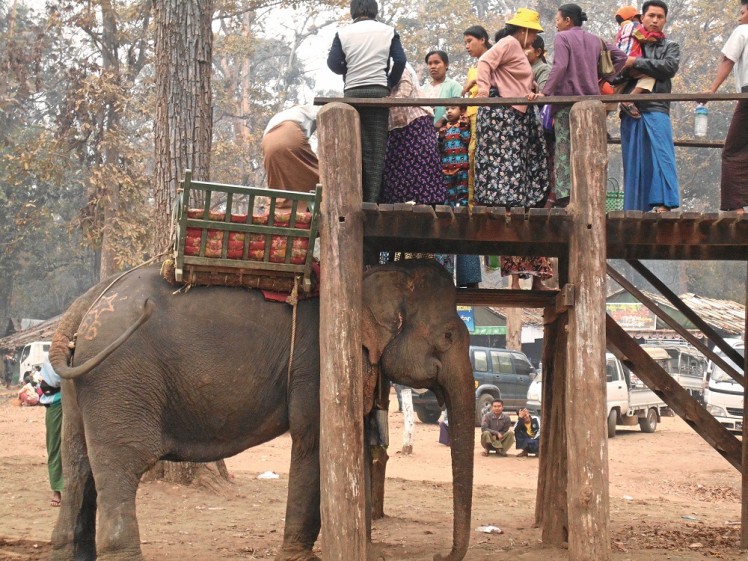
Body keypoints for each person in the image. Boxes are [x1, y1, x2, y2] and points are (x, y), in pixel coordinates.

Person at [473, 8, 553, 290]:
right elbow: (484, 62)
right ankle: (504, 202)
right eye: (533, 33)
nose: (533, 38)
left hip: (517, 112)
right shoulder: (508, 43)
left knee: (518, 164)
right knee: (504, 163)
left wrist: (535, 94)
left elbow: (521, 81)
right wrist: (483, 90)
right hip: (503, 113)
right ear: (525, 31)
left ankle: (514, 201)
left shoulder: (518, 51)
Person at [528, 4, 628, 207]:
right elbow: (621, 57)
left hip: (567, 103)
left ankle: (565, 198)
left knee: (565, 149)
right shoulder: (595, 39)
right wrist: (604, 77)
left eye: (557, 20)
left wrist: (545, 92)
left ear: (567, 20)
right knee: (588, 149)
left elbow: (560, 66)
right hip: (592, 104)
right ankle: (589, 192)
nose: (556, 24)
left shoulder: (562, 37)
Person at [327, 0, 406, 203]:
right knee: (376, 147)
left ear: (353, 11)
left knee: (352, 144)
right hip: (378, 92)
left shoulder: (343, 33)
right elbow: (400, 60)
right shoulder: (388, 31)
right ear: (374, 10)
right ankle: (370, 201)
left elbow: (333, 63)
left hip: (353, 92)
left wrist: (349, 69)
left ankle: (351, 199)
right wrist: (389, 82)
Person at [619, 0, 681, 212]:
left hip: (656, 106)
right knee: (635, 162)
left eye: (659, 17)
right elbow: (616, 70)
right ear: (642, 18)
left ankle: (664, 204)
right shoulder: (631, 42)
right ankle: (636, 209)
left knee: (661, 155)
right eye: (651, 15)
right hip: (630, 109)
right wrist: (632, 66)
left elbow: (669, 67)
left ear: (665, 20)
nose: (655, 20)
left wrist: (635, 63)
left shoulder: (670, 46)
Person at [703, 0, 748, 213]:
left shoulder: (743, 31)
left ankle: (736, 209)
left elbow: (728, 61)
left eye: (742, 12)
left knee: (732, 151)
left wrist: (711, 90)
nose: (739, 17)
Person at [380, 64, 445, 205]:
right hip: (396, 125)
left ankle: (427, 203)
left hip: (415, 119)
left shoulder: (396, 66)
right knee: (397, 167)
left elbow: (405, 87)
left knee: (421, 164)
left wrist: (388, 102)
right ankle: (399, 203)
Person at [261, 105, 320, 208]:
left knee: (280, 185)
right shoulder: (316, 110)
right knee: (321, 180)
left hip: (267, 142)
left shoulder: (289, 113)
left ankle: (281, 211)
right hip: (288, 134)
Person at [613, 5, 665, 118]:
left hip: (618, 63)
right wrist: (657, 38)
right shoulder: (634, 25)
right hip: (631, 59)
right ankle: (630, 99)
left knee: (614, 94)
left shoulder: (620, 31)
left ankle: (604, 115)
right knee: (651, 73)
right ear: (634, 18)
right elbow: (642, 37)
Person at [39, 359, 62, 507]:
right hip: (56, 403)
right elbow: (54, 381)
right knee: (55, 446)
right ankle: (58, 489)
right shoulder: (53, 357)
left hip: (81, 400)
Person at [438, 105, 471, 207]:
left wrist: (463, 129)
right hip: (447, 168)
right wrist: (440, 138)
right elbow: (440, 148)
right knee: (449, 194)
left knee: (462, 193)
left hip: (462, 168)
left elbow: (468, 141)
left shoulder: (463, 127)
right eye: (447, 109)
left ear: (462, 110)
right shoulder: (443, 129)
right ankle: (449, 215)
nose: (449, 111)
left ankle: (462, 215)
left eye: (453, 108)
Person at [421, 50, 463, 129]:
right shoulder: (424, 88)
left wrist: (441, 121)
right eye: (429, 63)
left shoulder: (454, 86)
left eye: (436, 62)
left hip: (448, 132)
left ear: (446, 65)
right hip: (425, 131)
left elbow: (458, 108)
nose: (432, 66)